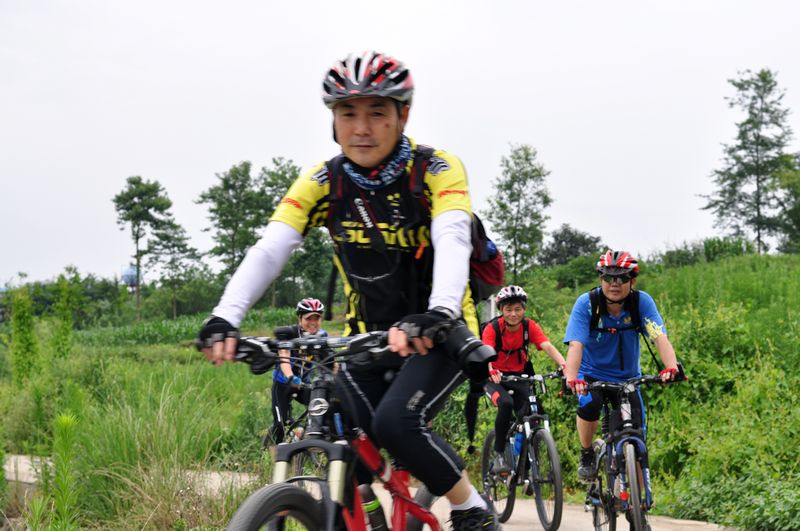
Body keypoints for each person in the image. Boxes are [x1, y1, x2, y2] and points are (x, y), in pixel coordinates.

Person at [198, 51, 497, 530]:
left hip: (437, 331)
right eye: (347, 113)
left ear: (403, 115)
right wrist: (225, 318)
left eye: (377, 113)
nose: (361, 128)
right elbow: (272, 247)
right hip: (365, 336)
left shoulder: (436, 169)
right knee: (344, 433)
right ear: (332, 120)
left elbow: (452, 235)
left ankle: (470, 507)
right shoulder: (325, 181)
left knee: (395, 424)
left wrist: (439, 312)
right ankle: (369, 516)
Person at [563, 250, 679, 481]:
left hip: (628, 379)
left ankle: (639, 496)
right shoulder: (587, 304)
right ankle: (586, 453)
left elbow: (659, 336)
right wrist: (572, 379)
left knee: (637, 437)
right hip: (591, 375)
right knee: (590, 404)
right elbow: (576, 344)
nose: (614, 283)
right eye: (608, 277)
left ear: (632, 281)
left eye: (622, 278)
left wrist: (671, 367)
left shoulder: (640, 302)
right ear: (601, 278)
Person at [482, 285, 566, 475]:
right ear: (501, 310)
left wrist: (564, 365)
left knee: (535, 411)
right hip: (494, 378)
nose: (513, 314)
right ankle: (499, 454)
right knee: (506, 404)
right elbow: (487, 353)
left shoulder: (529, 327)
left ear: (524, 309)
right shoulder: (492, 328)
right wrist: (491, 369)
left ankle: (526, 464)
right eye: (508, 309)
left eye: (517, 309)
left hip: (519, 376)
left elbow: (547, 346)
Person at [266, 297, 328, 446]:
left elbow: (330, 359)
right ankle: (270, 452)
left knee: (321, 407)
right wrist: (290, 377)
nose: (313, 322)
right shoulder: (290, 334)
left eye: (317, 318)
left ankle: (302, 436)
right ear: (300, 319)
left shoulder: (322, 336)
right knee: (281, 425)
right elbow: (284, 356)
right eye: (308, 318)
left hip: (303, 384)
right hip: (283, 384)